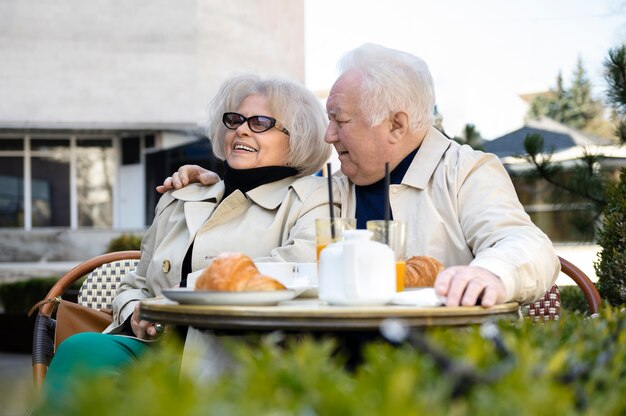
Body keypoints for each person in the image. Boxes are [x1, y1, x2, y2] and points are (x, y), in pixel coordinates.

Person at [159, 43, 560, 308]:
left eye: (339, 120)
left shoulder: (465, 173)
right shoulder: (325, 188)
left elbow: (525, 243)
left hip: (437, 364)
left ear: (396, 125)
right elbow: (263, 200)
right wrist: (213, 184)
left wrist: (491, 272)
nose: (328, 134)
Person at [42, 74, 337, 408]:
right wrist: (137, 312)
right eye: (235, 120)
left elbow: (291, 279)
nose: (241, 129)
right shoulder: (181, 196)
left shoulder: (314, 199)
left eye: (260, 122)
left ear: (298, 135)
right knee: (81, 349)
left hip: (239, 362)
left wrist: (178, 305)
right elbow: (134, 284)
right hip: (157, 351)